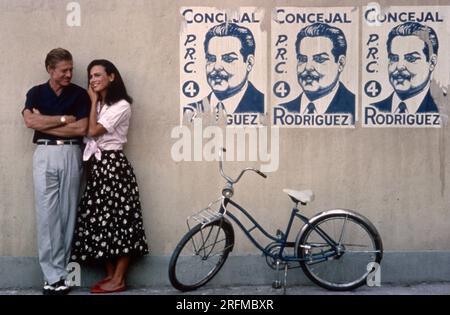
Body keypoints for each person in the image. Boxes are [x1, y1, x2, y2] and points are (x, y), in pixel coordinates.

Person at [70, 59, 149, 294]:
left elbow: (92, 131)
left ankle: (119, 278)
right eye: (90, 76)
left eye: (97, 75)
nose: (93, 80)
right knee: (96, 220)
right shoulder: (99, 105)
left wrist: (92, 101)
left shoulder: (121, 105)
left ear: (112, 77)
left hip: (114, 167)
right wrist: (94, 104)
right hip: (97, 167)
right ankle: (110, 274)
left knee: (121, 222)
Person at [22, 48, 90, 295]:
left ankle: (60, 274)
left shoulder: (80, 95)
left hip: (71, 153)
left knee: (67, 213)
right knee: (46, 216)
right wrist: (63, 120)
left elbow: (82, 128)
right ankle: (51, 277)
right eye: (64, 70)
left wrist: (46, 123)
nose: (69, 74)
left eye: (71, 69)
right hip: (44, 155)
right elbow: (30, 122)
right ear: (50, 70)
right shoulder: (36, 93)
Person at [183, 22, 264, 122]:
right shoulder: (189, 112)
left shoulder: (266, 107)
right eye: (211, 59)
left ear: (249, 63)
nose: (217, 67)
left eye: (228, 59)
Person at [280, 23, 355, 120]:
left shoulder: (355, 107)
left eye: (319, 59)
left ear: (340, 63)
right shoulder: (282, 111)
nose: (308, 67)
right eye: (302, 59)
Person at [371, 21, 439, 114]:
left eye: (410, 58)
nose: (399, 67)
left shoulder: (442, 113)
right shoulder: (373, 110)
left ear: (432, 62)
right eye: (394, 58)